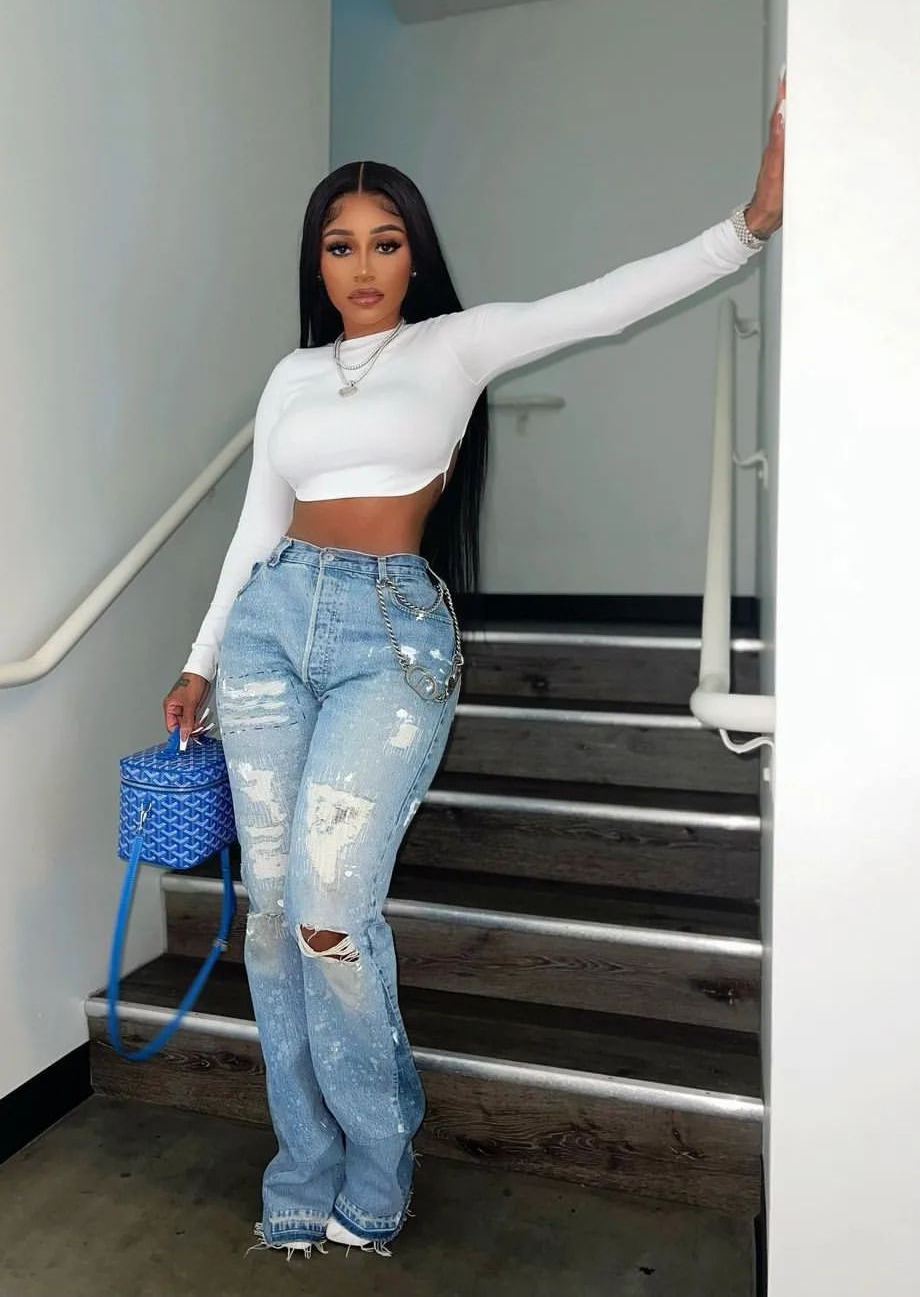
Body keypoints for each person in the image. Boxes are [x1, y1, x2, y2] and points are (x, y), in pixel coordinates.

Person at [163, 74, 786, 1262]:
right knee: (272, 919)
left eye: (385, 241)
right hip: (265, 632)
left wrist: (746, 227)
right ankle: (302, 1162)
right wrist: (199, 659)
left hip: (389, 638)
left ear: (415, 254)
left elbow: (602, 305)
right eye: (340, 245)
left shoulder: (454, 344)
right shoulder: (291, 376)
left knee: (332, 915)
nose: (362, 265)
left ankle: (379, 1155)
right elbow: (254, 529)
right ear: (316, 261)